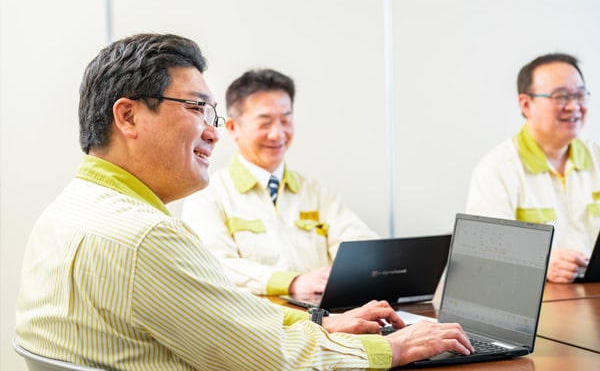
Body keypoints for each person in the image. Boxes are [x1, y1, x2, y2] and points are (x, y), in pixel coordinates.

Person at [16, 33, 472, 370]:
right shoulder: (148, 236)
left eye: (211, 113)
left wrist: (317, 324)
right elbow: (271, 359)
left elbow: (225, 316)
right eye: (196, 108)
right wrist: (391, 348)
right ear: (128, 116)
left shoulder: (68, 210)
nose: (212, 132)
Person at [182, 68, 380, 296]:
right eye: (265, 123)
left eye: (285, 120)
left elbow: (360, 245)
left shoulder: (315, 191)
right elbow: (216, 265)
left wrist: (371, 268)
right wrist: (292, 282)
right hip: (258, 317)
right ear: (233, 128)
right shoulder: (208, 195)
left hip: (327, 314)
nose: (278, 134)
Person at [466, 53, 599, 284]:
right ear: (526, 105)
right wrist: (540, 261)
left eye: (579, 95)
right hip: (535, 297)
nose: (574, 106)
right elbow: (482, 251)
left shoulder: (597, 157)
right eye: (560, 96)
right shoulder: (497, 169)